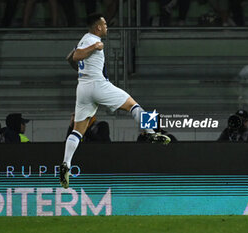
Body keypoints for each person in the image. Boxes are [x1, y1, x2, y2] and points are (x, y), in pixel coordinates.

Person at [60, 13, 170, 189]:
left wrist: (84, 70)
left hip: (83, 88)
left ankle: (66, 163)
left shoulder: (83, 39)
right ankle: (151, 133)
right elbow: (76, 57)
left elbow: (69, 58)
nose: (107, 26)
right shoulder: (92, 41)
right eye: (104, 24)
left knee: (78, 131)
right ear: (97, 27)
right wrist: (95, 47)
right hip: (97, 85)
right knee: (133, 105)